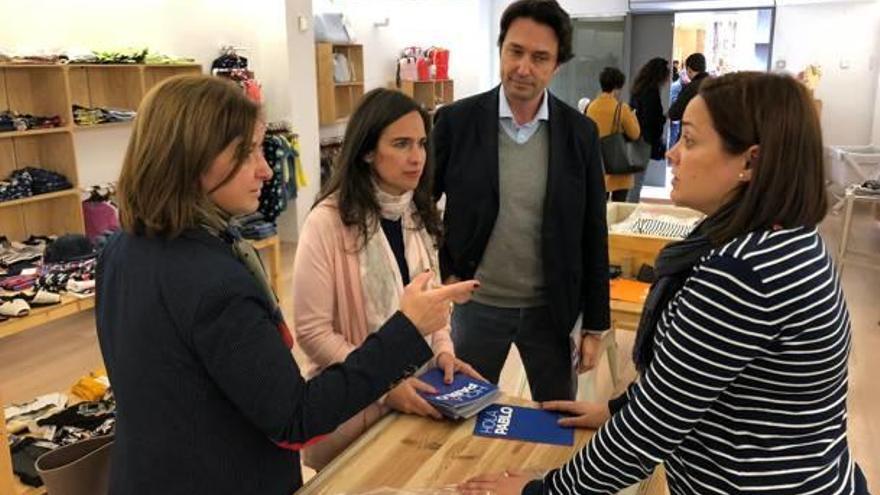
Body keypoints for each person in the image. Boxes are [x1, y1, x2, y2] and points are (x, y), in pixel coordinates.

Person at [461, 72, 871, 495]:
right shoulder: (784, 239)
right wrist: (618, 408)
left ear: (750, 162)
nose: (672, 154)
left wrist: (545, 491)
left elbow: (650, 431)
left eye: (690, 141)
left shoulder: (743, 274)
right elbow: (688, 378)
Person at [97, 75, 479, 495]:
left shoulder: (121, 248)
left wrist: (435, 344)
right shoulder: (215, 282)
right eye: (246, 153)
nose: (265, 169)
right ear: (192, 157)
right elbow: (295, 417)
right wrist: (406, 330)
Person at [293, 88, 482, 470]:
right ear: (366, 151)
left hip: (422, 401)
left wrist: (444, 352)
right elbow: (313, 333)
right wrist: (382, 386)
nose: (417, 157)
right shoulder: (327, 222)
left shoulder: (417, 212)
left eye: (421, 144)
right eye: (401, 144)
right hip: (353, 414)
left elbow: (432, 307)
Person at [432, 0, 609, 402]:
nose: (524, 67)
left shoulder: (579, 133)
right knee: (462, 410)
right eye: (515, 51)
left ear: (557, 65)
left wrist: (595, 325)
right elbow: (421, 208)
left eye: (540, 57)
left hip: (552, 309)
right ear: (501, 50)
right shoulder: (457, 122)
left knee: (554, 419)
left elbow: (593, 231)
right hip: (475, 304)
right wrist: (441, 275)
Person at [584, 66, 641, 202]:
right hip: (618, 167)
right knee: (619, 209)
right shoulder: (621, 108)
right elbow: (635, 134)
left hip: (599, 165)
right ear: (616, 88)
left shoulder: (591, 107)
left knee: (600, 208)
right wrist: (633, 117)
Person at [627, 57, 670, 202]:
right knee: (637, 181)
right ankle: (630, 213)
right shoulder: (651, 92)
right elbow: (651, 118)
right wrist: (663, 119)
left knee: (635, 180)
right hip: (645, 139)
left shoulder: (638, 89)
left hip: (636, 136)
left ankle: (630, 209)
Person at [667, 52, 708, 122]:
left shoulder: (691, 88)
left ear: (689, 69)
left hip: (692, 130)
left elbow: (674, 113)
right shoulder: (714, 85)